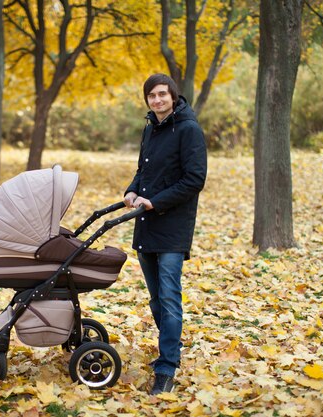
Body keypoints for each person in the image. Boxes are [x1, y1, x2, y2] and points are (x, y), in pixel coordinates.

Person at [124, 73, 207, 395]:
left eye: (162, 95)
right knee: (158, 300)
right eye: (151, 96)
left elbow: (194, 179)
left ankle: (167, 367)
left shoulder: (188, 130)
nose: (157, 100)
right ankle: (170, 348)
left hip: (172, 226)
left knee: (169, 299)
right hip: (147, 222)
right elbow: (143, 170)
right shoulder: (150, 129)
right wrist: (132, 191)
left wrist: (154, 202)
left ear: (173, 96)